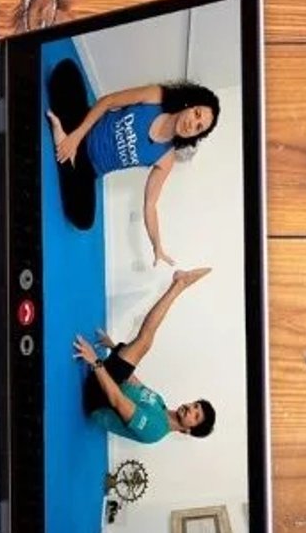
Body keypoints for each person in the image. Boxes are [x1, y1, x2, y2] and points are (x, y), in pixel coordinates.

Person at [44, 59, 219, 265]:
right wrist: (77, 136)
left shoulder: (166, 159)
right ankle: (67, 146)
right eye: (197, 114)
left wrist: (157, 245)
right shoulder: (156, 97)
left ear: (195, 135)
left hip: (88, 168)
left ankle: (62, 145)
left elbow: (150, 205)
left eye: (199, 127)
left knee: (83, 219)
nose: (192, 124)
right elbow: (108, 101)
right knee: (66, 70)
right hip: (83, 125)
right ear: (189, 104)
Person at [73, 267, 216, 443]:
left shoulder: (155, 431)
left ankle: (179, 285)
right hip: (107, 385)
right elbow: (132, 380)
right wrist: (114, 348)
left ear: (187, 431)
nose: (190, 409)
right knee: (143, 343)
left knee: (145, 342)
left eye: (195, 416)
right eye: (195, 405)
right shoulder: (160, 403)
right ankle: (179, 284)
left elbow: (117, 400)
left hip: (97, 401)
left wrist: (95, 361)